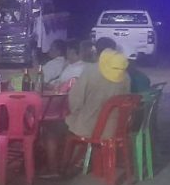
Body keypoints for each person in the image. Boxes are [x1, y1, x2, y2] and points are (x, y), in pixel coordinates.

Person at [39, 46, 131, 177]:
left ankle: (54, 169)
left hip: (90, 127)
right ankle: (77, 161)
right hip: (115, 128)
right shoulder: (126, 77)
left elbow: (75, 100)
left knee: (51, 129)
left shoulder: (92, 71)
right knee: (73, 125)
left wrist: (75, 114)